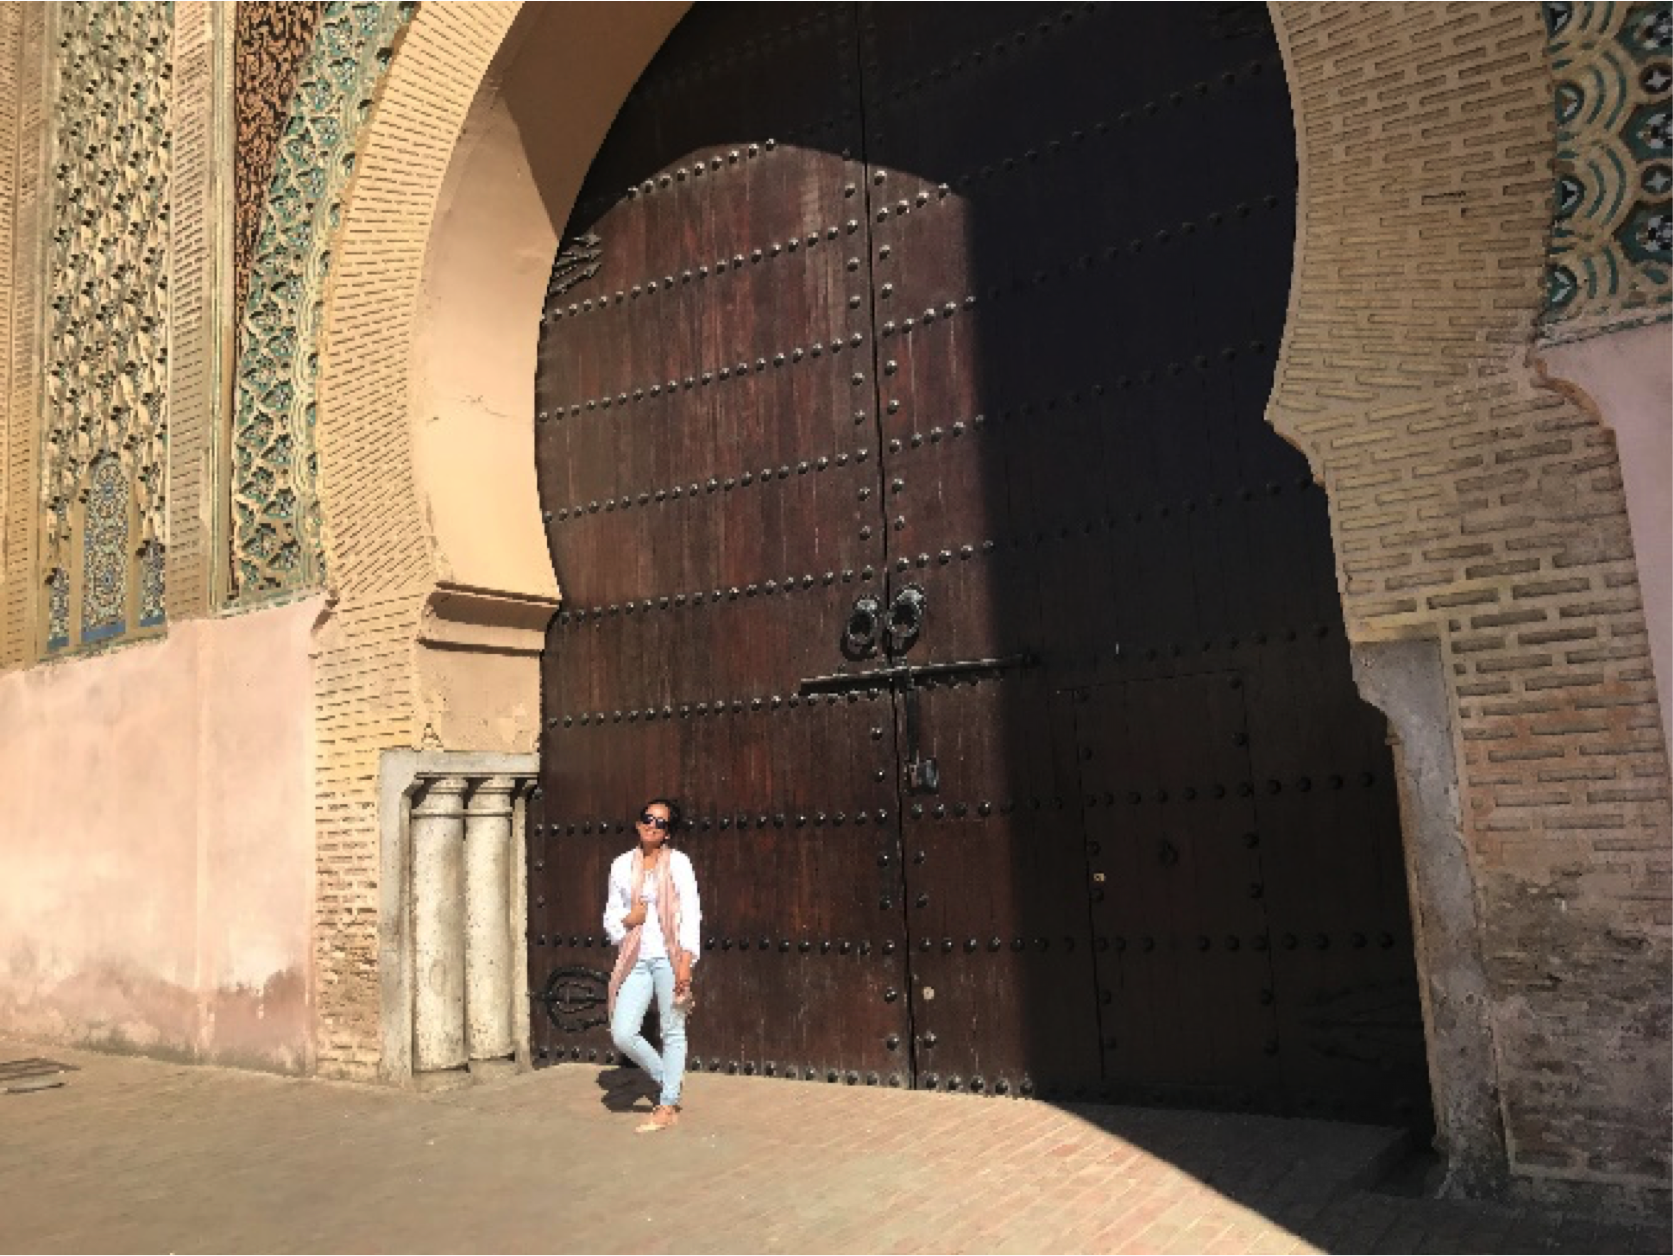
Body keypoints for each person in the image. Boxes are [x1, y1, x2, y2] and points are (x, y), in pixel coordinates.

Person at [603, 797, 701, 1132]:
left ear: (668, 832)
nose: (652, 825)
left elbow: (691, 915)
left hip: (670, 959)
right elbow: (611, 918)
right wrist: (629, 918)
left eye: (661, 823)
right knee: (623, 1033)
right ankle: (667, 1079)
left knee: (672, 1030)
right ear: (638, 822)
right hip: (636, 959)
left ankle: (668, 1103)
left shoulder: (679, 865)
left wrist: (686, 963)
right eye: (648, 818)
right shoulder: (620, 865)